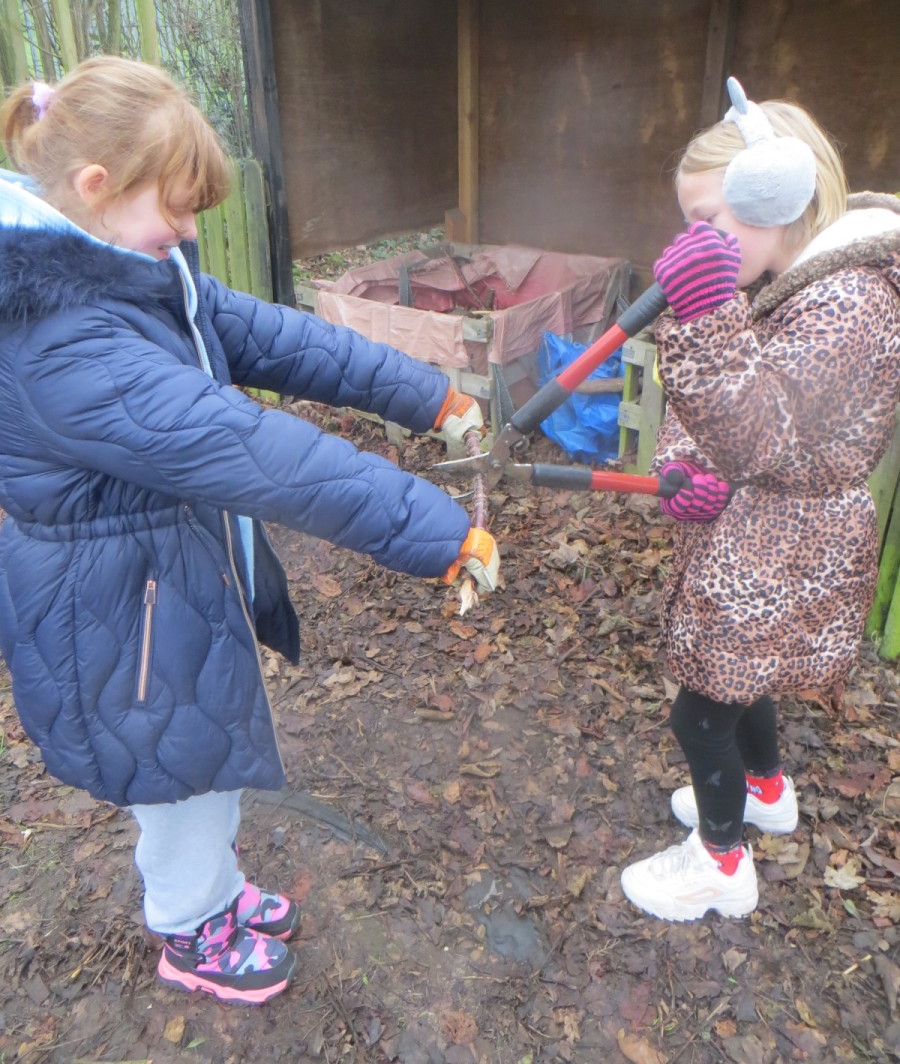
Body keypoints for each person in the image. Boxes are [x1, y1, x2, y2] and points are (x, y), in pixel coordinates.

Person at [0, 56, 499, 1004]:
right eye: (177, 207)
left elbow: (277, 338)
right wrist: (436, 532)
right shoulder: (64, 342)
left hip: (157, 585)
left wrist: (426, 395)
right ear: (96, 186)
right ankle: (191, 933)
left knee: (203, 760)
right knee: (179, 779)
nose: (191, 231)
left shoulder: (130, 273)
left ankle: (216, 897)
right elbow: (249, 447)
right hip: (114, 612)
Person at [619, 76, 900, 922]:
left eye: (709, 220)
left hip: (791, 543)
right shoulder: (785, 280)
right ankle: (767, 792)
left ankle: (720, 863)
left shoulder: (852, 300)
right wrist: (680, 459)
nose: (696, 241)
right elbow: (715, 409)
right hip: (759, 531)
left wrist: (702, 316)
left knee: (701, 715)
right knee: (745, 676)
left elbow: (754, 432)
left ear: (779, 193)